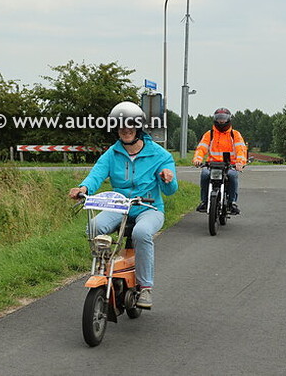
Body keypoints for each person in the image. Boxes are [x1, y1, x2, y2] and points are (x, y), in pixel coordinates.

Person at [69, 101, 177, 310]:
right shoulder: (112, 153)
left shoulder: (160, 155)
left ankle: (145, 287)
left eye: (129, 125)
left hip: (149, 208)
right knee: (94, 227)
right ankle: (104, 267)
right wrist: (83, 189)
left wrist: (168, 178)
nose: (125, 130)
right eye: (120, 126)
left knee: (141, 233)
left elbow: (171, 190)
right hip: (119, 206)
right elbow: (97, 174)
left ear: (139, 127)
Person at [192, 107, 247, 215]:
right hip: (212, 165)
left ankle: (232, 202)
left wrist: (239, 162)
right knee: (204, 174)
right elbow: (201, 148)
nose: (221, 121)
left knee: (232, 176)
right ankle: (204, 201)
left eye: (223, 119)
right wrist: (197, 159)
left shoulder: (235, 135)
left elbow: (241, 149)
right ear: (215, 119)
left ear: (228, 119)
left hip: (229, 165)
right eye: (219, 118)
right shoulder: (210, 134)